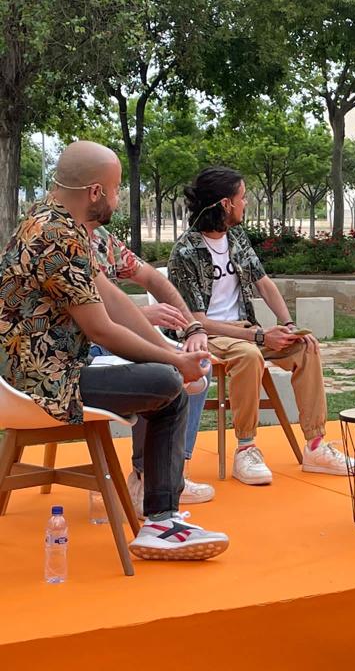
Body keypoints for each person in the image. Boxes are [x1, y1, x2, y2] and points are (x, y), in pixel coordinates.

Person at [0, 141, 228, 560]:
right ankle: (160, 522)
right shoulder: (57, 237)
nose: (119, 198)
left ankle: (159, 515)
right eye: (117, 189)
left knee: (167, 376)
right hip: (44, 384)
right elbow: (102, 329)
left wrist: (170, 350)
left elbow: (115, 302)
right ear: (95, 192)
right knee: (166, 385)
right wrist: (174, 361)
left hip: (43, 373)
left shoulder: (52, 220)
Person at [168, 166, 355, 485]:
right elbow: (197, 321)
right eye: (243, 198)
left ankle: (315, 446)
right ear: (226, 204)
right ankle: (246, 449)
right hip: (207, 336)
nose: (246, 204)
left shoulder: (236, 238)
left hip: (245, 330)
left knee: (306, 347)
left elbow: (264, 283)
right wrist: (259, 335)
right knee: (248, 355)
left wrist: (289, 325)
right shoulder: (185, 252)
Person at [91, 225, 216, 513]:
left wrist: (192, 328)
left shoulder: (99, 237)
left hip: (103, 343)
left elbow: (149, 278)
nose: (116, 203)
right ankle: (148, 481)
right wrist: (145, 318)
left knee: (192, 363)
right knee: (161, 377)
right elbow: (93, 323)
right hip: (73, 359)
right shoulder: (59, 240)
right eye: (114, 196)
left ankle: (169, 479)